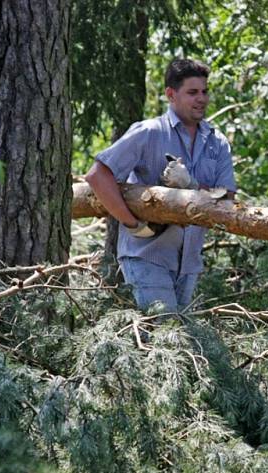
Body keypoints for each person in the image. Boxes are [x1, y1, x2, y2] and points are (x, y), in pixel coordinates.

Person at [85, 57, 236, 312]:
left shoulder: (216, 142)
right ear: (171, 94)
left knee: (175, 345)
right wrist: (133, 224)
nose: (202, 98)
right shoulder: (149, 132)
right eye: (192, 92)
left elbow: (227, 199)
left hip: (188, 264)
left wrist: (190, 184)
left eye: (204, 91)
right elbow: (97, 175)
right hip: (147, 256)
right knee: (164, 336)